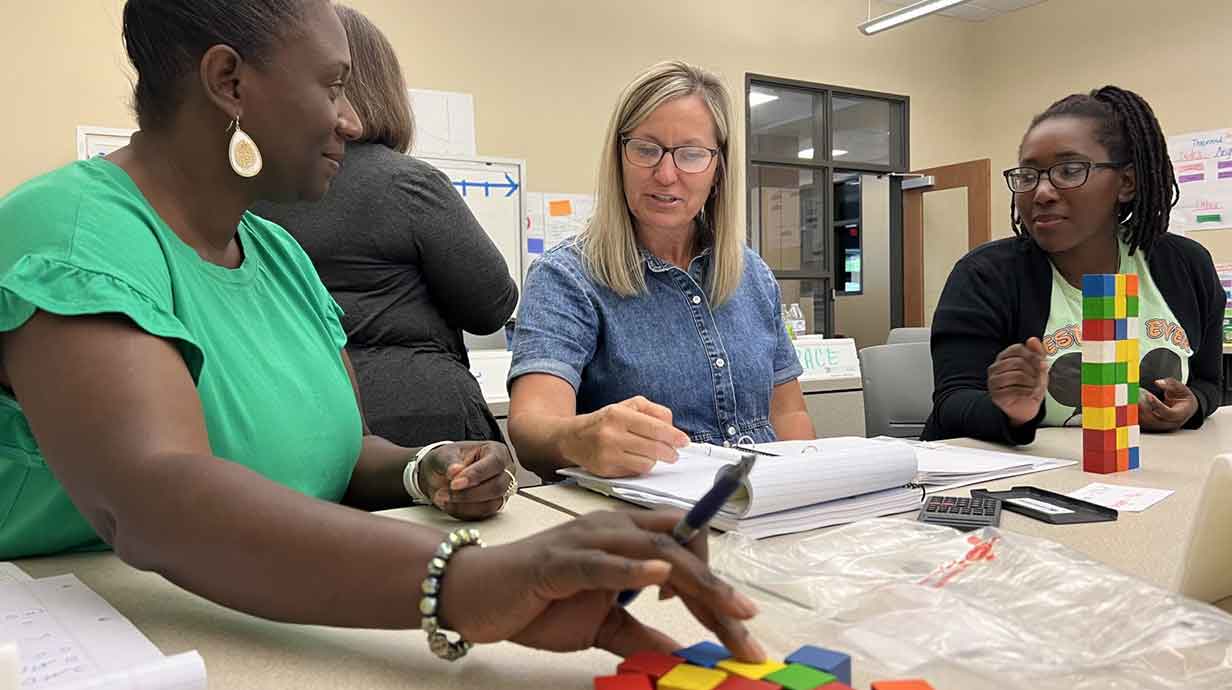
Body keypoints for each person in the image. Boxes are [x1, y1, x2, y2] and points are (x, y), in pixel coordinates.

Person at [0, 0, 764, 663]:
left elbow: (335, 447)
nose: (353, 118)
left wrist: (424, 467)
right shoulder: (71, 232)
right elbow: (153, 496)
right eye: (332, 86)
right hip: (93, 630)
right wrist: (467, 580)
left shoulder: (277, 253)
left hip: (258, 615)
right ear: (229, 81)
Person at [508, 60, 815, 481]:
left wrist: (813, 492)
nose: (666, 174)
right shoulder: (566, 277)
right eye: (646, 149)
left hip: (762, 510)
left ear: (717, 169)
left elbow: (788, 410)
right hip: (645, 525)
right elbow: (531, 425)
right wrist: (579, 438)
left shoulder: (753, 275)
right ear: (619, 158)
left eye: (690, 154)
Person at [253, 5, 516, 449]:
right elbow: (491, 304)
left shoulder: (253, 193)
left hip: (296, 418)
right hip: (422, 414)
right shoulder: (408, 184)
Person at [924, 86, 1225, 444]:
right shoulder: (985, 274)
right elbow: (952, 401)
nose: (1042, 192)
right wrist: (1011, 412)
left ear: (1125, 182)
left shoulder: (1185, 265)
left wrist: (1192, 404)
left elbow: (1209, 382)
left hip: (1149, 473)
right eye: (1028, 174)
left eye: (1069, 170)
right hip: (1025, 474)